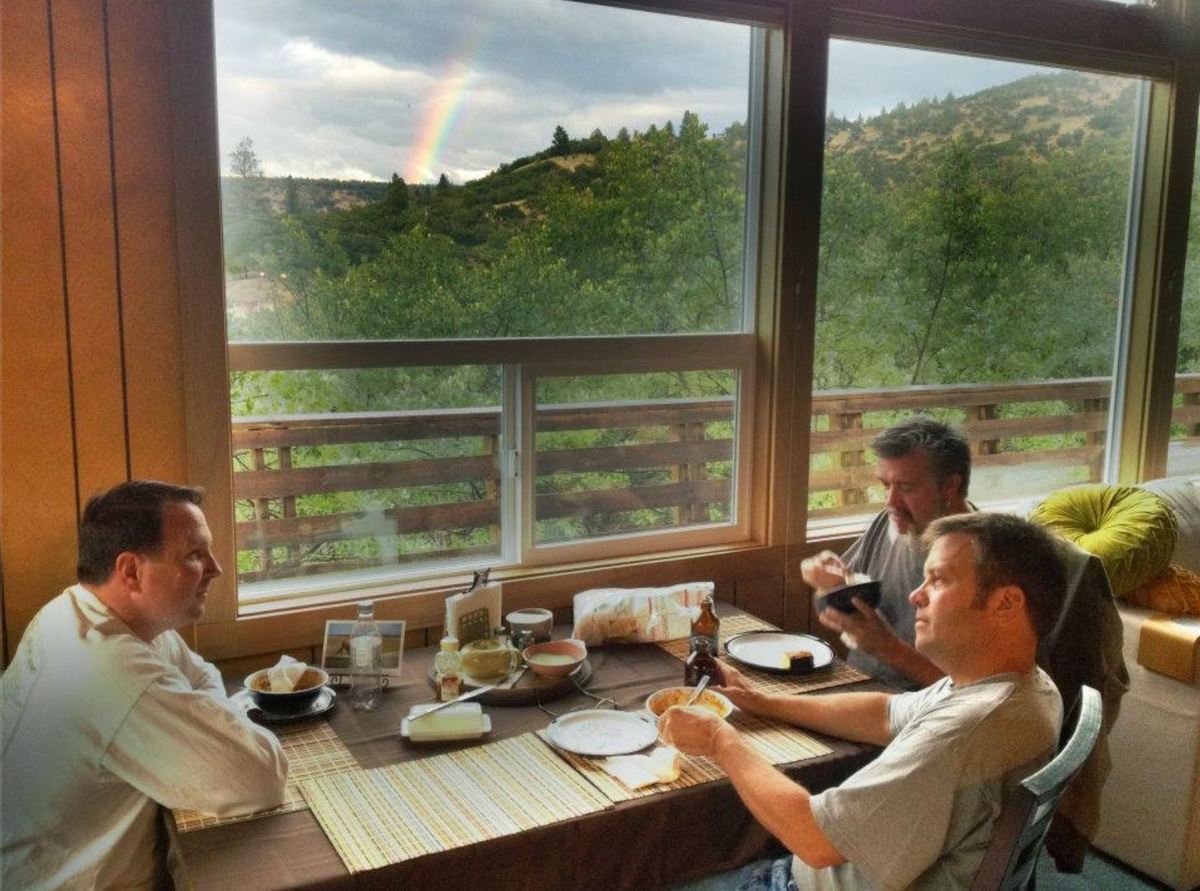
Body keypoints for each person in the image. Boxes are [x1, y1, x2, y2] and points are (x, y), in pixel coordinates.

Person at [661, 512, 1066, 891]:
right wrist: (762, 702)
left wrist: (719, 740)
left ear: (1007, 603)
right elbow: (885, 713)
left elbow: (814, 839)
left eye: (938, 581)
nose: (915, 596)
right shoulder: (1023, 686)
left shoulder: (966, 733)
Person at [2, 481, 288, 891]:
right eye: (194, 554)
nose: (215, 568)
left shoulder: (76, 611)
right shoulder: (109, 668)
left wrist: (203, 716)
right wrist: (212, 723)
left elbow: (200, 673)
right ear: (131, 571)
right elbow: (262, 777)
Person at [803, 417, 973, 691]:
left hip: (923, 717)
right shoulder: (890, 523)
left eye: (906, 488)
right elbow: (838, 608)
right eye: (885, 485)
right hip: (856, 692)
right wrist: (827, 583)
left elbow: (984, 693)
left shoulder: (986, 557)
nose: (890, 502)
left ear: (949, 487)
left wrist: (888, 649)